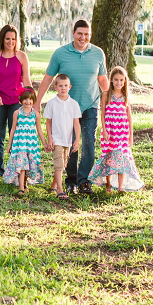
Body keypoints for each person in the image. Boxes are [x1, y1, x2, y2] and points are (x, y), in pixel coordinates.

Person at [34, 19, 108, 194]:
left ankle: (85, 181)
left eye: (87, 34)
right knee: (71, 144)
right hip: (67, 108)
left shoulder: (98, 54)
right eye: (80, 34)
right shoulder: (60, 53)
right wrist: (38, 102)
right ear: (73, 33)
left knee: (89, 143)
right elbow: (48, 78)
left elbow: (102, 79)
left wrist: (112, 99)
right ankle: (71, 181)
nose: (83, 37)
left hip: (90, 105)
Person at [0, 24, 32, 178]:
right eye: (7, 38)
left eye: (13, 39)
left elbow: (27, 81)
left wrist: (30, 100)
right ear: (2, 39)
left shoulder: (21, 56)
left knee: (17, 137)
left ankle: (16, 170)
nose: (10, 42)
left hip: (15, 102)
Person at [89, 66, 144, 192]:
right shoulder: (106, 94)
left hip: (122, 133)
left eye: (121, 80)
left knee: (121, 158)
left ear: (125, 81)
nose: (119, 83)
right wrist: (105, 129)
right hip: (110, 131)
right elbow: (102, 114)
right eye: (116, 80)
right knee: (109, 157)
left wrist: (131, 135)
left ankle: (120, 187)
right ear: (111, 80)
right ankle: (108, 184)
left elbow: (129, 117)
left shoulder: (125, 96)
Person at [43, 74, 81, 198]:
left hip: (68, 140)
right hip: (57, 139)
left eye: (65, 86)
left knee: (63, 164)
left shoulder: (74, 104)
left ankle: (54, 185)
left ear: (69, 87)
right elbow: (48, 123)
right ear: (55, 87)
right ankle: (60, 190)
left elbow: (76, 123)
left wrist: (77, 140)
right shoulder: (51, 103)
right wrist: (50, 138)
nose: (63, 88)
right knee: (58, 164)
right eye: (60, 86)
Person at [4, 88, 45, 194]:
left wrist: (44, 143)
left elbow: (39, 130)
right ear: (21, 100)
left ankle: (25, 183)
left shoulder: (35, 114)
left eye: (30, 99)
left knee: (29, 162)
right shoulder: (17, 113)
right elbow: (13, 129)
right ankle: (21, 187)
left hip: (31, 143)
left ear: (34, 100)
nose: (28, 102)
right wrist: (10, 144)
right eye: (25, 99)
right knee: (22, 163)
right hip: (20, 143)